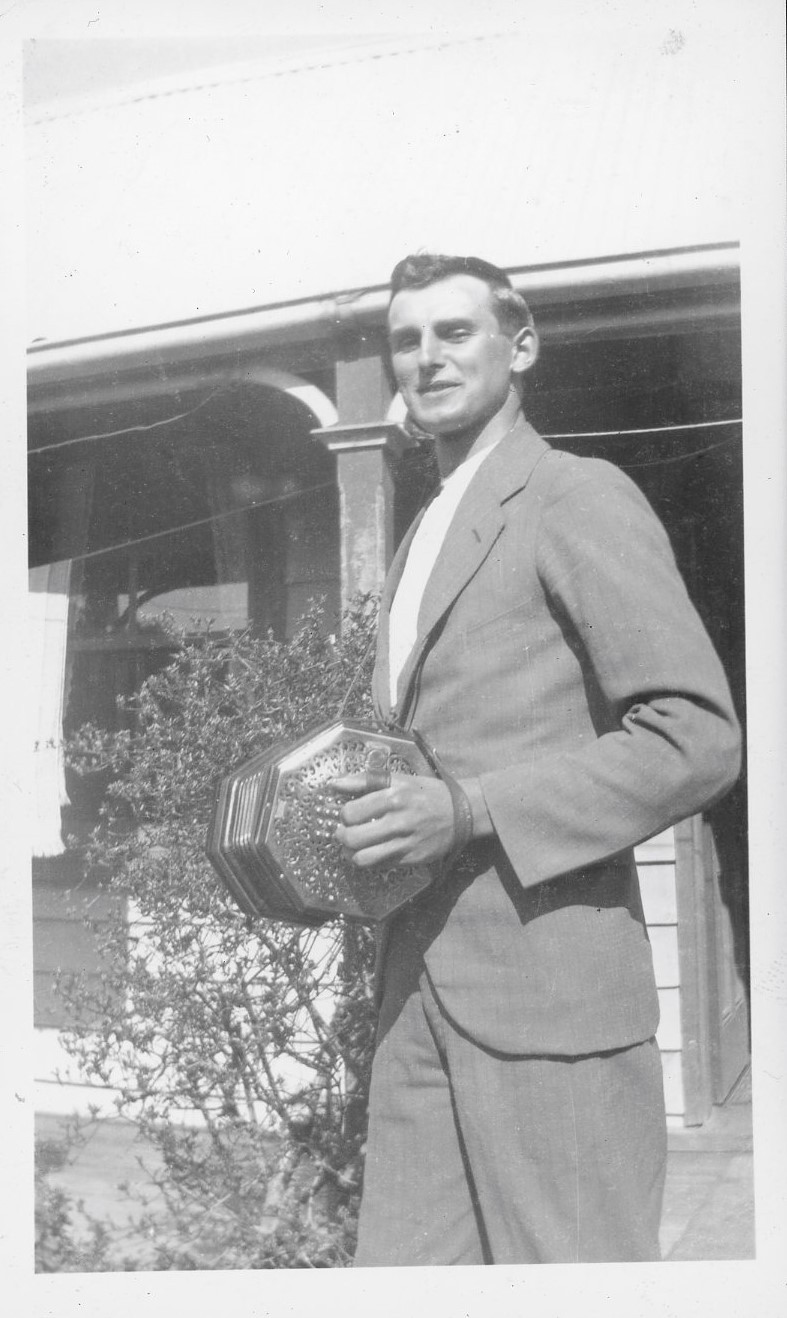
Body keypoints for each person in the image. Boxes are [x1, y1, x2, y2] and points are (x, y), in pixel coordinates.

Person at [331, 253, 742, 1266]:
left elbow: (695, 736)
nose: (425, 357)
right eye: (405, 339)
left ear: (518, 347)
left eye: (453, 332)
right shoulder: (425, 524)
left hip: (551, 1000)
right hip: (413, 995)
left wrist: (468, 808)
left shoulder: (573, 495)